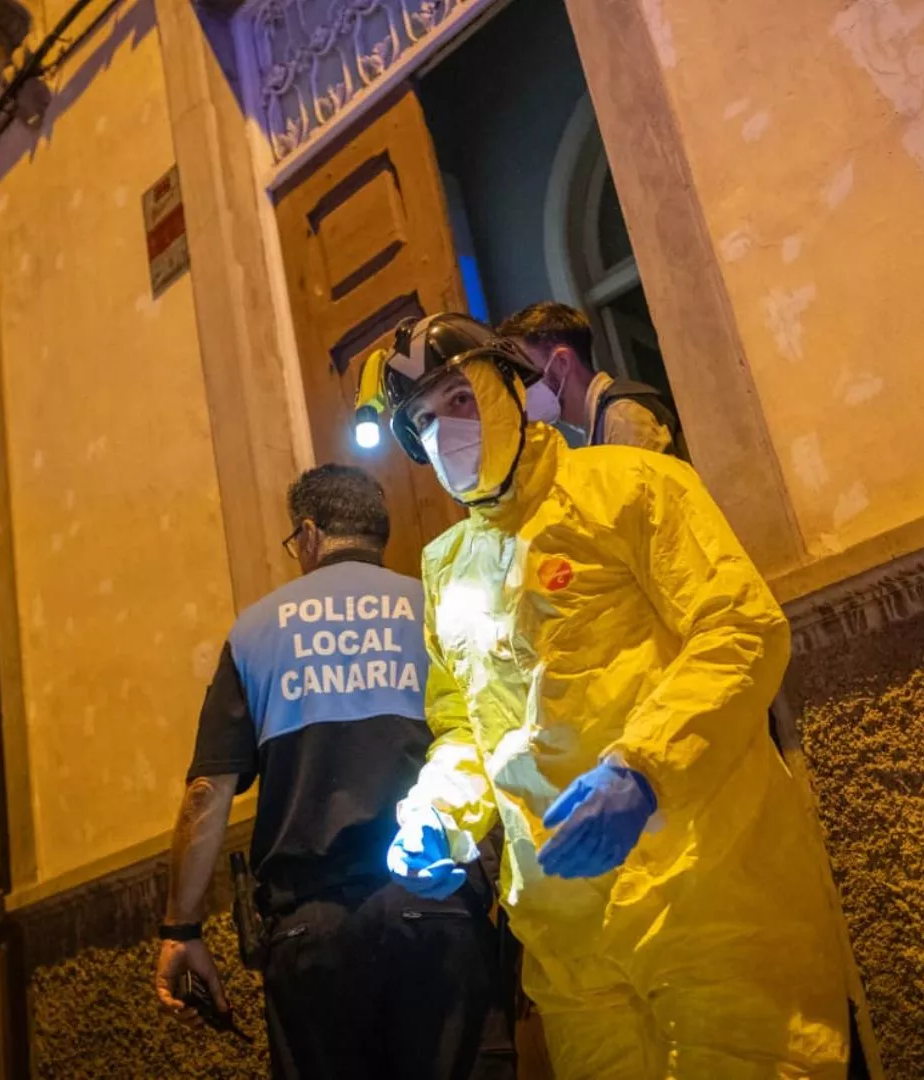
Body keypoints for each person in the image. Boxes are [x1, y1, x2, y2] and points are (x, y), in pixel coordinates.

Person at [377, 313, 852, 1079]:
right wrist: (441, 809)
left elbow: (739, 629)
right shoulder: (447, 567)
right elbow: (464, 724)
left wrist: (645, 770)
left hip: (709, 893)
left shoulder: (634, 486)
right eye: (423, 421)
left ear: (507, 388)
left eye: (459, 399)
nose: (444, 433)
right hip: (569, 944)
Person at [155, 464, 513, 1080]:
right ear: (378, 534)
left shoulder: (254, 634)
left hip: (312, 935)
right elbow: (500, 750)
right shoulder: (433, 608)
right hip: (439, 913)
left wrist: (180, 927)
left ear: (311, 534)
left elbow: (205, 795)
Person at [496, 301, 684, 458]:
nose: (519, 386)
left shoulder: (622, 417)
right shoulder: (602, 423)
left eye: (524, 371)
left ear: (562, 362)